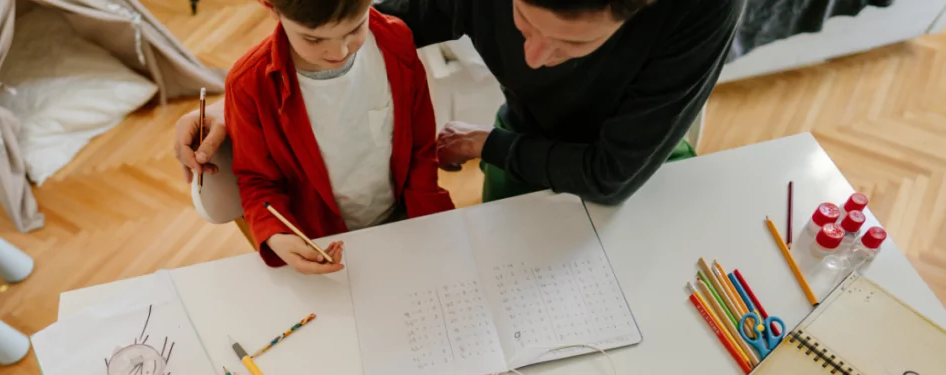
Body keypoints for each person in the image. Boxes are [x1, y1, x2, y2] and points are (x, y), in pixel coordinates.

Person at [176, 0, 743, 205]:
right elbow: (369, 31)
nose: (536, 57)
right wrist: (247, 106)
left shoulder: (702, 11)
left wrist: (490, 144)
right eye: (522, 20)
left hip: (638, 169)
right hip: (521, 146)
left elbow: (613, 175)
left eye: (574, 45)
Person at [223, 0, 455, 274]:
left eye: (355, 29)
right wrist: (278, 235)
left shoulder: (395, 42)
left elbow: (421, 147)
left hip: (404, 224)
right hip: (323, 243)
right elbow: (257, 182)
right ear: (273, 9)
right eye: (313, 39)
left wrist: (425, 221)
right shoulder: (249, 86)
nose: (339, 51)